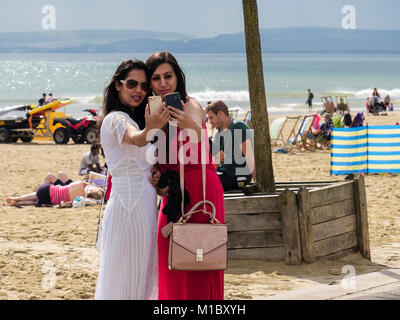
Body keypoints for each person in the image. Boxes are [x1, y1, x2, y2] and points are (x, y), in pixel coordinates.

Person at [146, 51, 225, 300]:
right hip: (173, 195)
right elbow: (160, 159)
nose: (163, 83)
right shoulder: (153, 114)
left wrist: (186, 123)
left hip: (201, 189)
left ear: (177, 78)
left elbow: (198, 129)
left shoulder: (190, 105)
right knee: (169, 255)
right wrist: (159, 181)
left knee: (200, 258)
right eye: (156, 78)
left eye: (168, 76)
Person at [94, 59, 169, 300]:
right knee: (123, 279)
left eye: (144, 86)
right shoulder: (115, 119)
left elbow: (142, 157)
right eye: (132, 84)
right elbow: (134, 138)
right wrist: (150, 130)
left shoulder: (135, 119)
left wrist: (155, 174)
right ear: (118, 85)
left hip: (147, 208)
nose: (138, 90)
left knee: (143, 278)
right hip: (126, 209)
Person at [206, 100, 255, 191]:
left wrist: (256, 183)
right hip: (225, 173)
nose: (210, 122)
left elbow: (250, 157)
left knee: (207, 184)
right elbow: (218, 158)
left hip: (238, 177)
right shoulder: (220, 132)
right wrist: (209, 173)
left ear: (220, 114)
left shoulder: (238, 127)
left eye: (211, 118)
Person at [5, 171, 100, 207]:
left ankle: (18, 198)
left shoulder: (80, 184)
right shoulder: (80, 198)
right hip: (51, 199)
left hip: (48, 189)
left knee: (35, 195)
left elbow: (87, 180)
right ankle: (19, 202)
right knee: (35, 202)